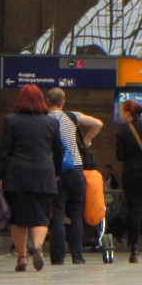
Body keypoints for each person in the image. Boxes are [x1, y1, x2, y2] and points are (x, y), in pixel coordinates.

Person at [0, 84, 64, 272]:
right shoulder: (51, 123)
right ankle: (38, 246)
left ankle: (22, 258)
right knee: (41, 215)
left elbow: (3, 151)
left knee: (18, 217)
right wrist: (56, 172)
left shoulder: (11, 121)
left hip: (17, 176)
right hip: (44, 175)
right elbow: (59, 151)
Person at [45, 87, 103, 265]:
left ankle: (58, 256)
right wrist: (86, 140)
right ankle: (77, 256)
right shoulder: (73, 115)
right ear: (63, 102)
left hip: (56, 171)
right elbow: (98, 124)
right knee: (77, 214)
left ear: (47, 101)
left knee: (58, 213)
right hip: (76, 169)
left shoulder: (44, 120)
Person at [115, 99, 142, 263]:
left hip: (131, 175)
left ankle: (134, 251)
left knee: (134, 211)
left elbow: (121, 156)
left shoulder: (122, 132)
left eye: (122, 110)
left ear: (128, 112)